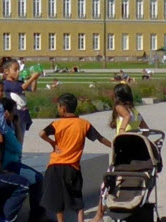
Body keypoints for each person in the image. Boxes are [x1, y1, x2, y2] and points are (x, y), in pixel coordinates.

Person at [38, 93, 111, 222]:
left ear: (63, 109)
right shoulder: (83, 124)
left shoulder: (57, 124)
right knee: (77, 197)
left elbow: (42, 133)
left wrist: (53, 143)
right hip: (72, 166)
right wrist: (114, 146)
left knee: (57, 199)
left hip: (54, 165)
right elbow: (100, 138)